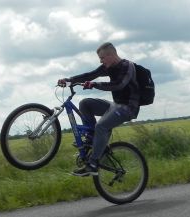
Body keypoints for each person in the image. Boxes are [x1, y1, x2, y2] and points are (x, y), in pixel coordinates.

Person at [58, 42, 141, 176]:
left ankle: (93, 164)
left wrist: (95, 84)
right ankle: (91, 139)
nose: (101, 61)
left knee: (101, 126)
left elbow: (118, 85)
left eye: (102, 58)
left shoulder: (127, 66)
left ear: (111, 55)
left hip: (128, 108)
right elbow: (89, 75)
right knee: (85, 103)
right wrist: (69, 80)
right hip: (115, 105)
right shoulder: (107, 67)